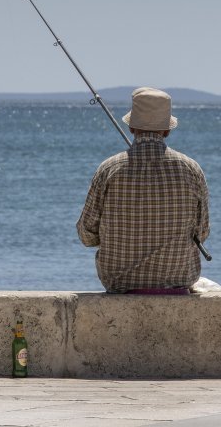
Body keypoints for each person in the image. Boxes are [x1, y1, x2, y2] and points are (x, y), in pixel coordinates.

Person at [76, 87, 210, 293]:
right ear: (167, 130)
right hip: (177, 282)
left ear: (131, 128)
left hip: (119, 284)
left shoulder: (109, 168)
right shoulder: (191, 169)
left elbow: (86, 234)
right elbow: (201, 232)